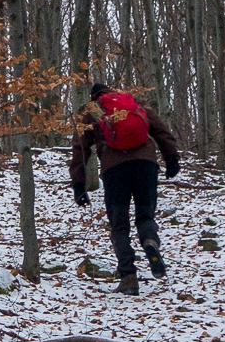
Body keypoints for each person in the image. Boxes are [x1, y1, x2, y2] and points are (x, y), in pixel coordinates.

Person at [69, 82, 180, 295]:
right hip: (146, 165)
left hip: (115, 169)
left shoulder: (93, 109)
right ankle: (149, 240)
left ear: (94, 96)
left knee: (119, 225)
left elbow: (80, 148)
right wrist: (171, 158)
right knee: (145, 216)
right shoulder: (133, 102)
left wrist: (79, 183)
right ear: (111, 92)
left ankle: (129, 277)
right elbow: (160, 129)